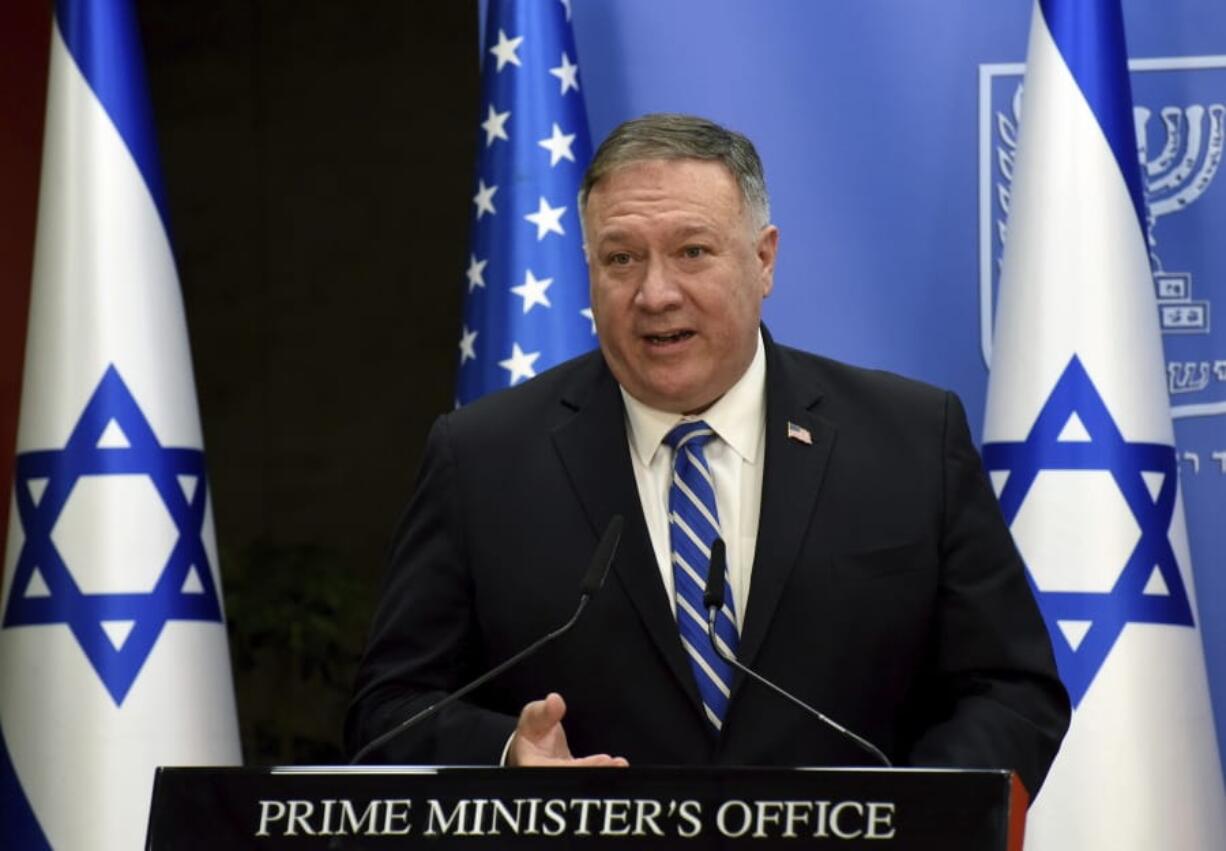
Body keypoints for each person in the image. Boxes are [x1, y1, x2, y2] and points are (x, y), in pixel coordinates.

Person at [345, 114, 1070, 796]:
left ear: (763, 261)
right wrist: (510, 755)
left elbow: (1012, 690)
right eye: (621, 258)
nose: (655, 294)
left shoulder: (910, 438)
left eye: (692, 251)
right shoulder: (482, 458)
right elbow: (388, 713)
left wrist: (904, 817)